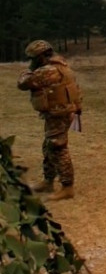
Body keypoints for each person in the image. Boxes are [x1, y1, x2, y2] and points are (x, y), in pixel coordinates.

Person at [17, 40, 83, 201]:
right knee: (49, 146)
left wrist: (29, 70)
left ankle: (67, 187)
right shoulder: (62, 65)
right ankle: (48, 181)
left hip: (58, 114)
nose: (32, 61)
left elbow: (23, 83)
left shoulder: (48, 70)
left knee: (57, 147)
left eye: (33, 59)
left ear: (39, 57)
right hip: (62, 112)